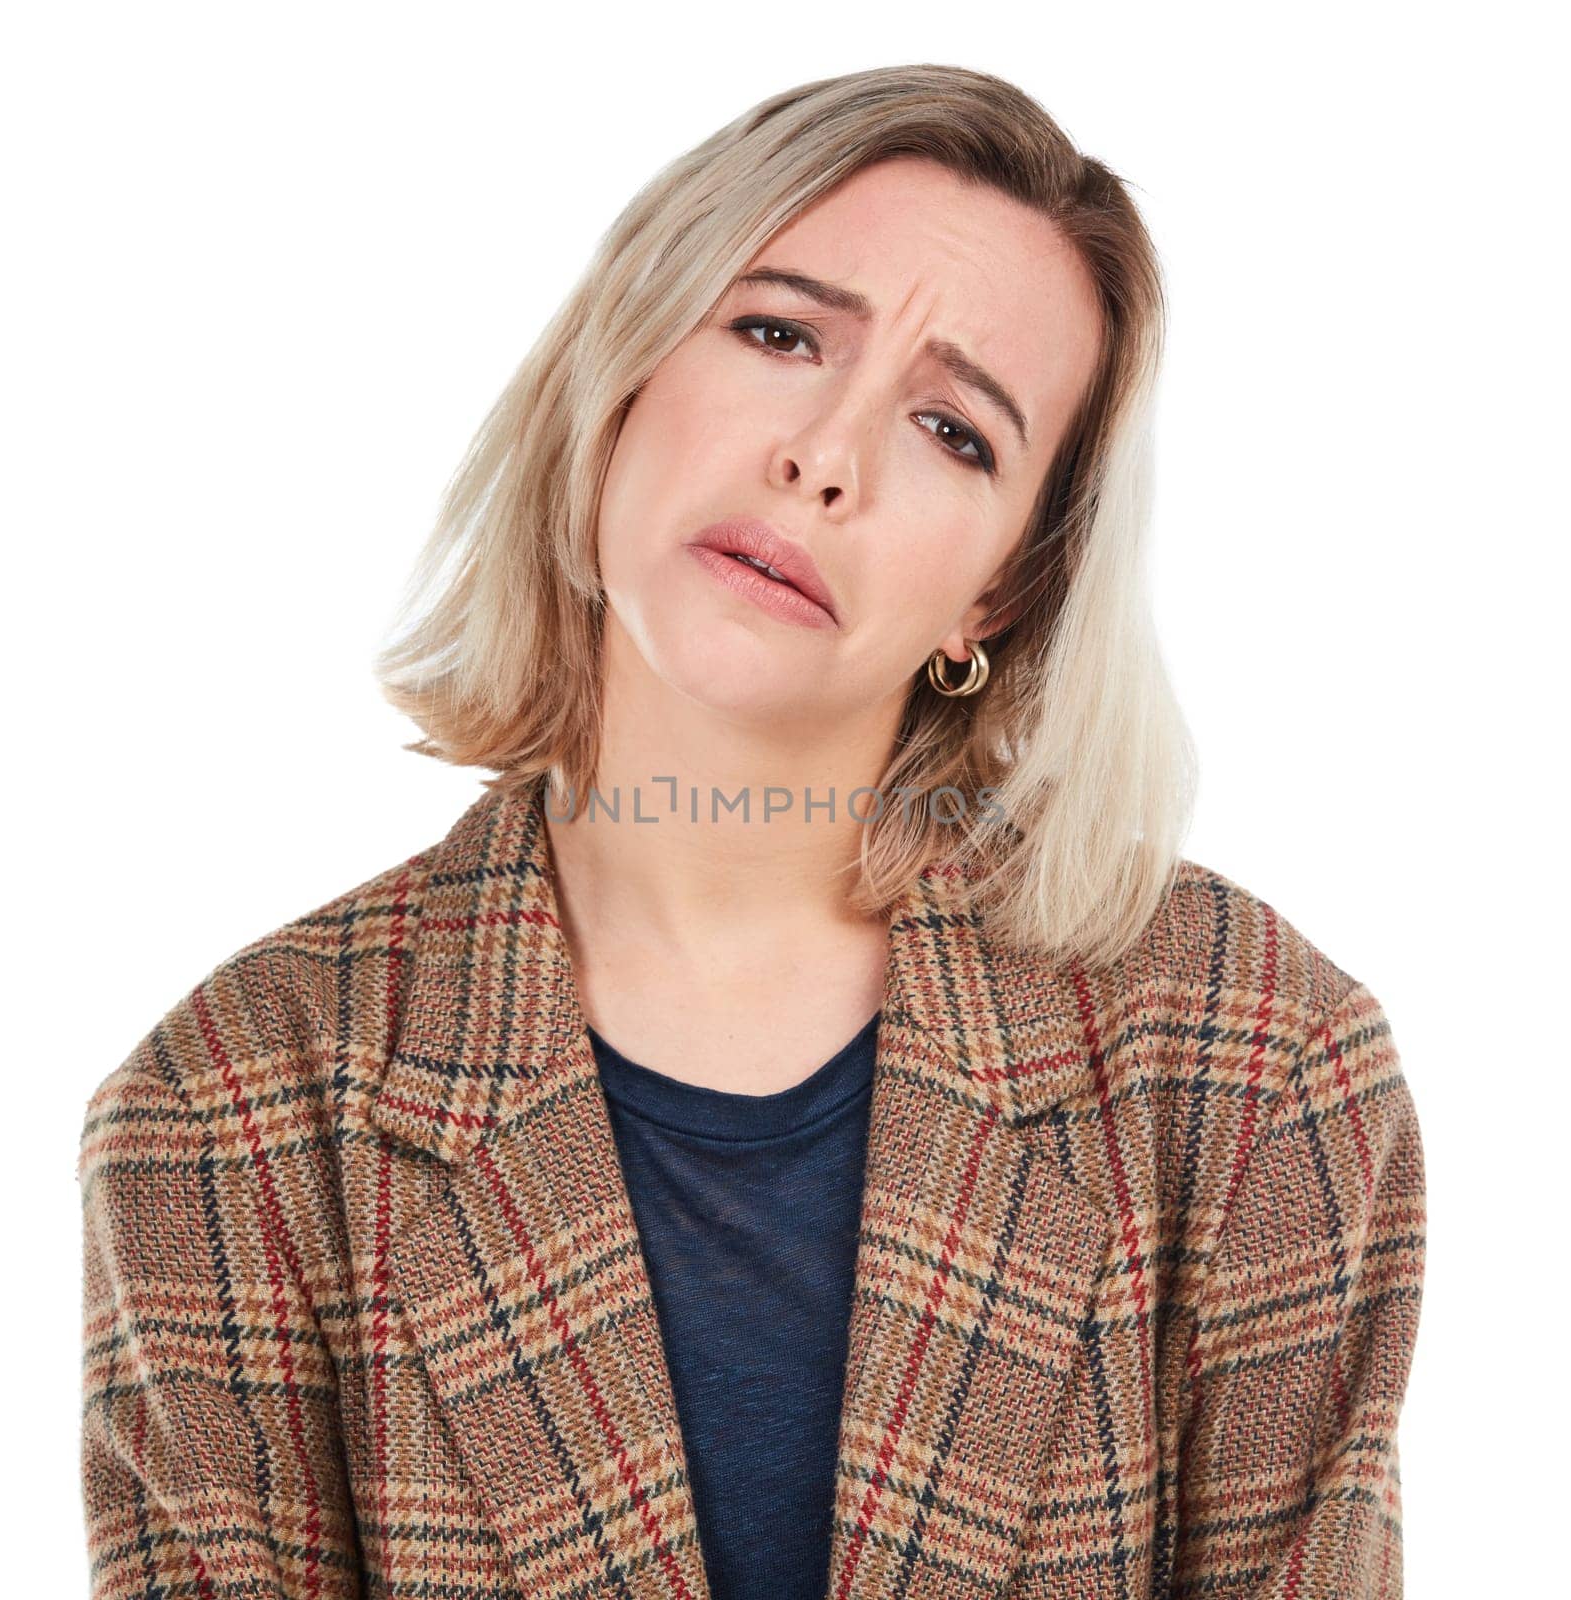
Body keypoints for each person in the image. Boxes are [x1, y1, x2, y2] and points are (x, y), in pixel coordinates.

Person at [77, 63, 1425, 1600]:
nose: (828, 455)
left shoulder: (1256, 1065)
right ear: (624, 365)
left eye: (954, 429)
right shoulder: (229, 1109)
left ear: (999, 591)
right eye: (781, 334)